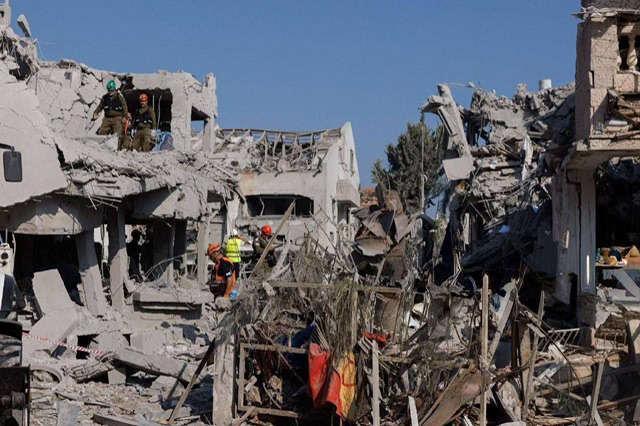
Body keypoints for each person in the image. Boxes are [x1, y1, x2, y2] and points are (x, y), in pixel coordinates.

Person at [92, 80, 129, 150]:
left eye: (112, 90)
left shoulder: (119, 97)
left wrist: (125, 117)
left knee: (117, 133)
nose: (110, 92)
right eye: (109, 90)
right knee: (102, 130)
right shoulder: (105, 97)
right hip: (107, 118)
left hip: (117, 118)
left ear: (114, 89)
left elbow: (125, 107)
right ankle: (102, 147)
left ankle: (117, 149)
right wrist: (96, 112)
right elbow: (100, 106)